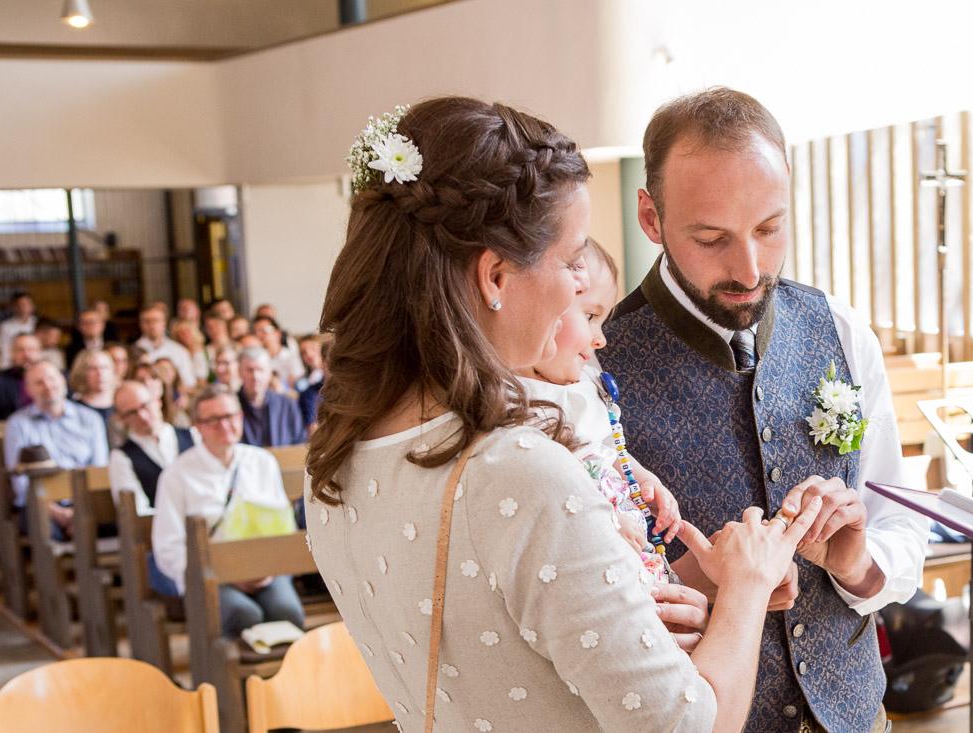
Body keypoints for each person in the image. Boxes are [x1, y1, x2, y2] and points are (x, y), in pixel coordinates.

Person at [305, 97, 822, 733]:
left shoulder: (334, 459)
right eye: (572, 259)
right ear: (495, 275)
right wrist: (747, 585)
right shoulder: (515, 472)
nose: (581, 289)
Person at [598, 87, 930, 733]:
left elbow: (901, 522)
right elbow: (596, 601)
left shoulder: (840, 328)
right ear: (650, 217)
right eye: (712, 237)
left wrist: (858, 566)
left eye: (769, 228)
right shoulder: (595, 367)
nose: (749, 268)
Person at [518, 240, 682, 582]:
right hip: (587, 549)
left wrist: (642, 479)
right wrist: (605, 521)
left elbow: (608, 448)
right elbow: (552, 487)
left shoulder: (586, 384)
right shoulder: (519, 402)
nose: (600, 339)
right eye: (590, 316)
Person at [153, 384, 304, 636]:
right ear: (197, 426)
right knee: (243, 615)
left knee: (287, 613)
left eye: (230, 417)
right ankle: (236, 675)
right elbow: (167, 547)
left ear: (241, 417)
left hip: (265, 571)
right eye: (213, 420)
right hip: (210, 576)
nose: (224, 426)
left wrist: (269, 568)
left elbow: (283, 526)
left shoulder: (261, 462)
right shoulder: (177, 475)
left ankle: (283, 676)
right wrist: (225, 572)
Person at [109, 381, 197, 596]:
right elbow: (137, 513)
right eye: (132, 412)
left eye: (145, 405)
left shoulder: (192, 436)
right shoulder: (122, 457)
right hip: (159, 544)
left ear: (157, 402)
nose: (143, 416)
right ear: (122, 419)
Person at [3, 361, 108, 537]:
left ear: (62, 380)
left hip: (85, 501)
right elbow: (21, 483)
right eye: (39, 382)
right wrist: (57, 512)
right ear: (28, 390)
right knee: (46, 532)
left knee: (112, 524)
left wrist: (79, 511)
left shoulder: (90, 419)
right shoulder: (18, 424)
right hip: (40, 505)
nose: (48, 386)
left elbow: (99, 471)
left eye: (51, 379)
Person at [237, 347, 305, 447]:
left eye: (260, 370)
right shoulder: (230, 406)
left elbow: (300, 442)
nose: (255, 376)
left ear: (269, 373)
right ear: (240, 372)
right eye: (249, 370)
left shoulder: (287, 404)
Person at [0, 332, 39, 421]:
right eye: (20, 350)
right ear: (12, 353)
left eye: (31, 349)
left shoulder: (54, 379)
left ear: (40, 352)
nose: (26, 355)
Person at [134, 305, 197, 389]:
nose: (152, 325)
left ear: (164, 323)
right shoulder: (133, 351)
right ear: (141, 324)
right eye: (147, 321)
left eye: (156, 321)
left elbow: (189, 382)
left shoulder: (179, 351)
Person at [68, 349, 118, 440]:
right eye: (92, 368)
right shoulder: (73, 408)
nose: (100, 373)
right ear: (81, 373)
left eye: (104, 367)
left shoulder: (122, 402)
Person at [252, 316, 303, 391]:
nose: (259, 335)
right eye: (256, 331)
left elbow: (298, 381)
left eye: (264, 330)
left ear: (278, 333)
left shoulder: (290, 356)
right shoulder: (256, 359)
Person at [0, 291, 37, 369]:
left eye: (27, 304)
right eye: (20, 305)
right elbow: (5, 352)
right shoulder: (5, 327)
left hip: (35, 365)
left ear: (32, 306)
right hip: (14, 366)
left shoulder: (38, 324)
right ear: (13, 307)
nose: (24, 307)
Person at [295, 334, 325, 427]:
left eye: (312, 348)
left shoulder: (332, 377)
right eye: (304, 352)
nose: (308, 354)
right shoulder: (301, 381)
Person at [171, 319, 210, 385]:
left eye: (187, 331)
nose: (185, 335)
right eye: (181, 333)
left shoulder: (201, 352)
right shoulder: (177, 352)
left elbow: (202, 379)